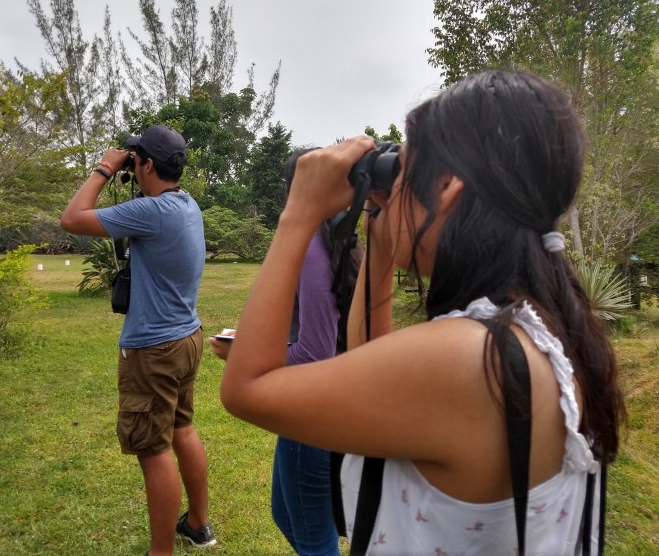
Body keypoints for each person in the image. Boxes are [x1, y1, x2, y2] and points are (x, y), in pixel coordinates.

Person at [219, 71, 624, 555]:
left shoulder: (470, 359)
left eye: (402, 170)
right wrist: (382, 234)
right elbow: (372, 373)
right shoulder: (547, 328)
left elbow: (248, 390)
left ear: (448, 188)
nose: (391, 189)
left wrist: (299, 213)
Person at [60, 125, 215, 556]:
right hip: (187, 337)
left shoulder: (153, 212)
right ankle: (199, 525)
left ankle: (159, 552)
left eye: (135, 160)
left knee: (153, 449)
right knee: (182, 428)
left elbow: (72, 217)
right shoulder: (186, 205)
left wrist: (105, 167)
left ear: (145, 164)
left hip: (154, 348)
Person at [210, 151, 362, 555]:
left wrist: (244, 355)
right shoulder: (335, 238)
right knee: (285, 513)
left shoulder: (313, 245)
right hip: (321, 403)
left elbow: (315, 354)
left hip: (311, 409)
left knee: (314, 538)